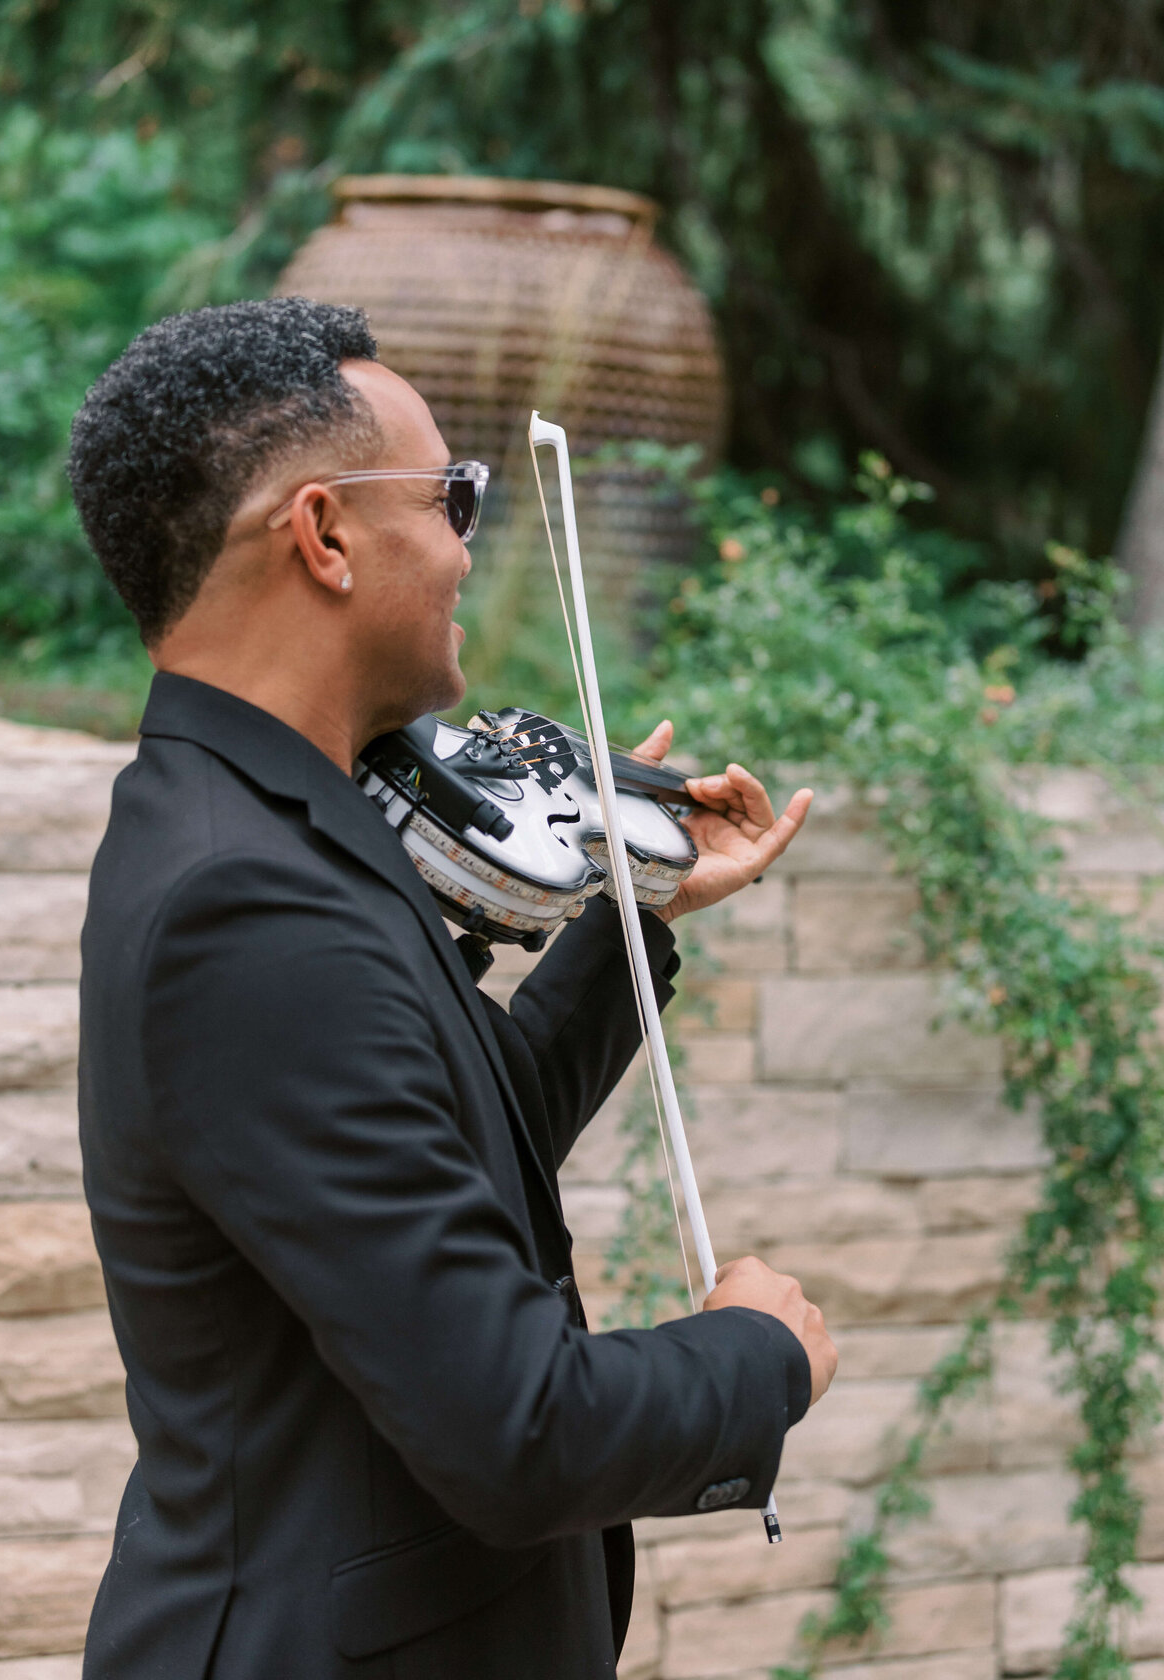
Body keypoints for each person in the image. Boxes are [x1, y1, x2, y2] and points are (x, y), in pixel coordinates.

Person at [68, 297, 837, 1680]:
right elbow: (518, 1431)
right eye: (452, 497)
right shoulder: (243, 905)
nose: (471, 547)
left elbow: (443, 1153)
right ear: (325, 533)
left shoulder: (267, 827)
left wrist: (633, 908)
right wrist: (754, 1359)